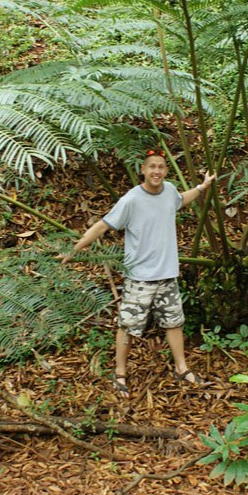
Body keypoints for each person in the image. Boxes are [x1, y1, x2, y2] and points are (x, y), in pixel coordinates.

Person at [62, 149, 216, 398]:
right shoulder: (131, 200)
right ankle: (120, 372)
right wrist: (75, 249)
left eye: (161, 167)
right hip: (139, 277)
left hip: (167, 275)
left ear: (166, 171)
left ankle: (181, 368)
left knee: (174, 322)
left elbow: (181, 199)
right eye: (152, 167)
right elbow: (103, 225)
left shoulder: (168, 192)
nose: (157, 171)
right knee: (128, 325)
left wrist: (203, 187)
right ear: (143, 170)